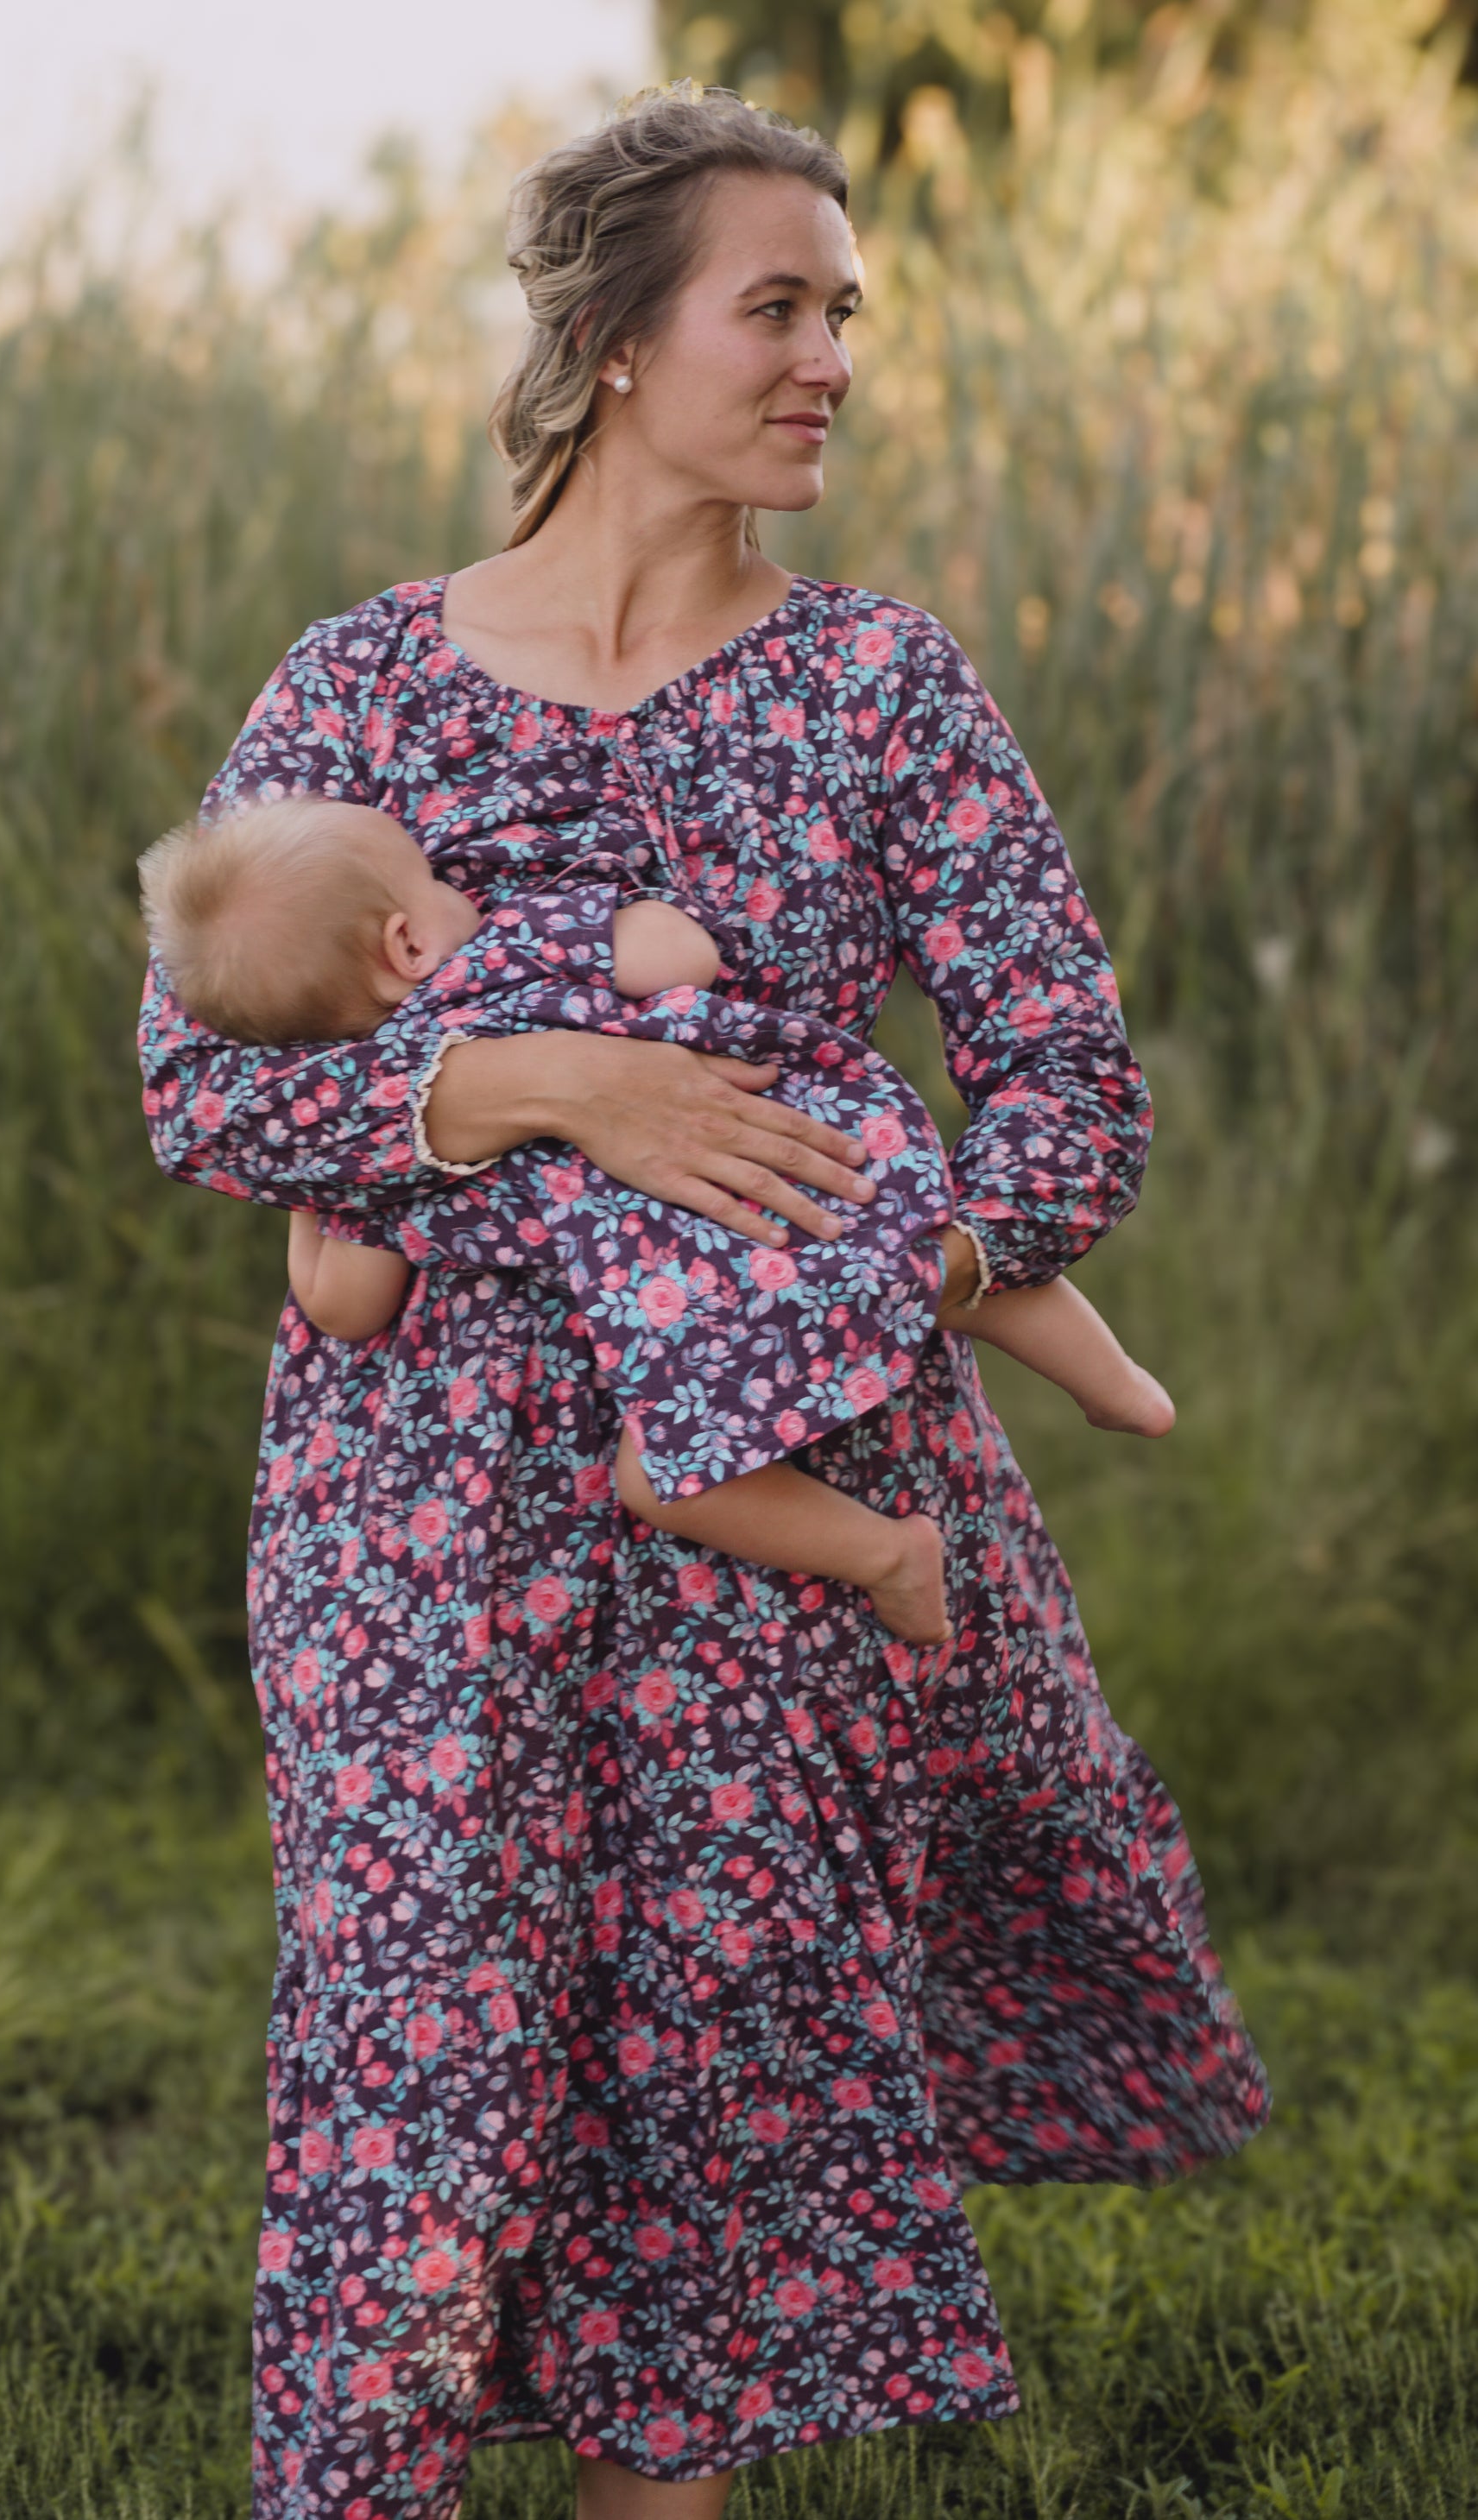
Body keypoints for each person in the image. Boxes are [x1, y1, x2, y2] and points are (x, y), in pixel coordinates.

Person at [138, 83, 1267, 2520]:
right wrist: (549, 1084)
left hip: (771, 1495)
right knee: (417, 2054)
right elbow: (196, 1086)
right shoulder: (362, 685)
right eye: (779, 304)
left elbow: (1066, 1071)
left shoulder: (879, 686)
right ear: (625, 342)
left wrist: (913, 1247)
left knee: (703, 2075)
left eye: (842, 313)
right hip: (418, 1520)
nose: (829, 356)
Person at [140, 795, 1172, 1642]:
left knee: (659, 1479)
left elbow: (345, 1308)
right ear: (407, 938)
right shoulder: (519, 949)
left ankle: (887, 1553)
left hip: (694, 1310)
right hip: (796, 1163)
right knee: (941, 1265)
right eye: (439, 881)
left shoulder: (395, 1148)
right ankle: (1113, 1383)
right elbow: (680, 951)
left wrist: (318, 1188)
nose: (463, 887)